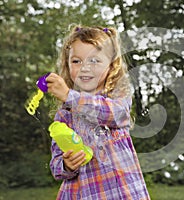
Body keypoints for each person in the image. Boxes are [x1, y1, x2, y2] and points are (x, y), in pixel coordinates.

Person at [46, 24, 150, 199]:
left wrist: (69, 96)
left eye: (94, 60)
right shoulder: (65, 113)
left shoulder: (118, 94)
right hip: (81, 193)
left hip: (122, 191)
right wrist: (66, 165)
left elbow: (117, 114)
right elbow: (56, 164)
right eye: (76, 61)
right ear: (67, 63)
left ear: (111, 65)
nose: (85, 67)